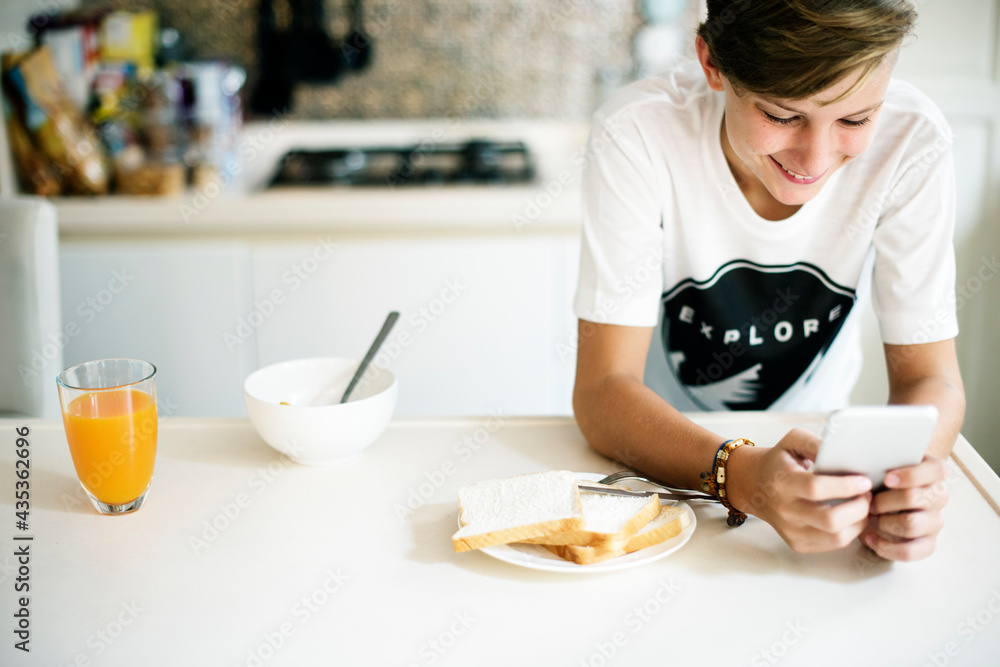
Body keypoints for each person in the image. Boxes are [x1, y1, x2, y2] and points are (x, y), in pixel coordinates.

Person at [572, 0, 965, 562]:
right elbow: (602, 391)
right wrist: (741, 475)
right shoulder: (638, 132)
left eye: (855, 119)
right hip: (660, 465)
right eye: (783, 115)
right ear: (712, 62)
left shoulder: (913, 141)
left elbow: (932, 378)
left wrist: (902, 484)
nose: (816, 157)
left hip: (824, 458)